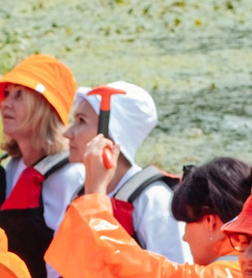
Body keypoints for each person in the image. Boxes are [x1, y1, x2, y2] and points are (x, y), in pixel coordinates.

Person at [42, 155, 252, 278]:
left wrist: (95, 192)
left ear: (212, 223)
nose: (184, 237)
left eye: (187, 223)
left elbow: (122, 265)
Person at [0, 53, 82, 278]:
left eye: (19, 95)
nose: (5, 103)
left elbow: (70, 268)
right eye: (7, 93)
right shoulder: (6, 170)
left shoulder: (70, 175)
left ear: (44, 108)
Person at [60, 81, 184, 262]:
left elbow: (177, 277)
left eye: (81, 121)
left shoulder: (152, 198)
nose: (68, 133)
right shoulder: (80, 193)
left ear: (110, 135)